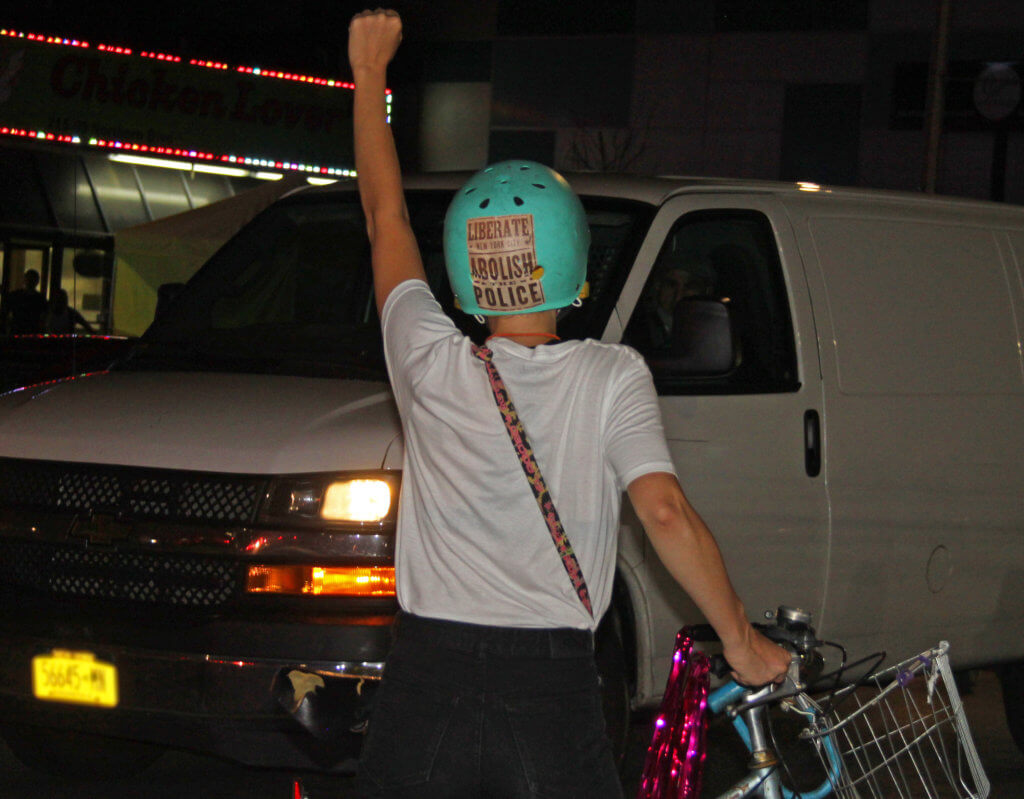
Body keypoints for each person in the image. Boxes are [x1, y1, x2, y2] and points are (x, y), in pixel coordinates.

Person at [348, 10, 790, 798]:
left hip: (424, 682)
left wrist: (370, 74)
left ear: (462, 281)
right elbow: (663, 513)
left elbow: (385, 219)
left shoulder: (425, 356)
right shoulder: (610, 374)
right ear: (577, 273)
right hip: (549, 689)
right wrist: (741, 638)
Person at [1, 269, 47, 334]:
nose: (30, 282)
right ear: (37, 282)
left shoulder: (15, 295)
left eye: (31, 280)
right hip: (32, 330)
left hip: (18, 329)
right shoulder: (40, 298)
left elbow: (5, 312)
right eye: (30, 280)